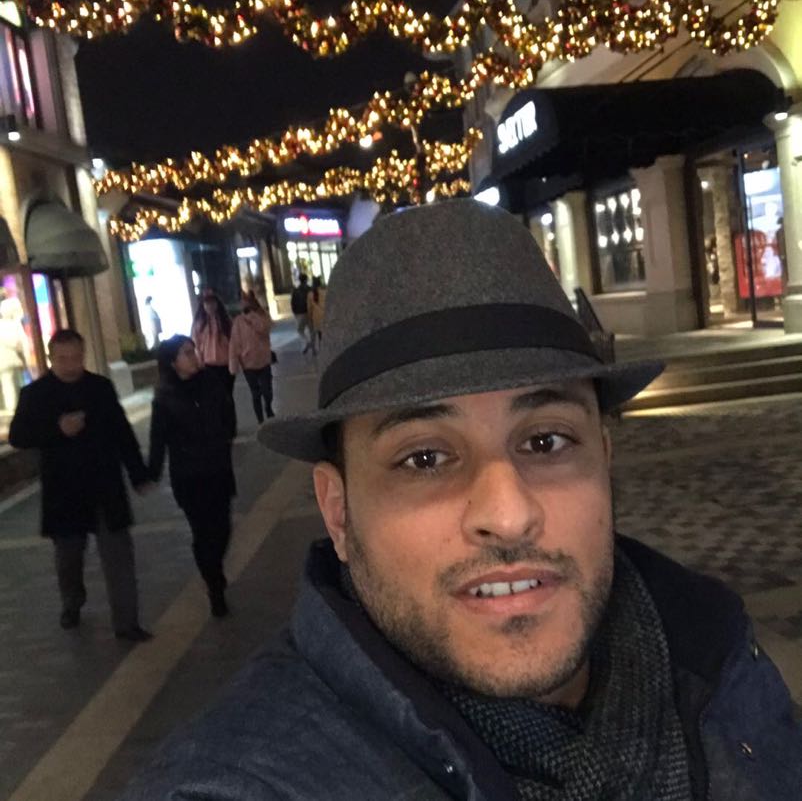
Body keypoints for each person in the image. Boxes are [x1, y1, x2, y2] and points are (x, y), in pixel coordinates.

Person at [121, 201, 802, 800]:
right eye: (424, 458)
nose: (508, 515)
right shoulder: (231, 788)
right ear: (338, 510)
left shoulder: (715, 653)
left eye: (546, 441)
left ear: (604, 456)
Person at [9, 329, 152, 642]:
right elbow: (19, 436)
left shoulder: (99, 388)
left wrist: (138, 474)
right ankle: (72, 601)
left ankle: (126, 622)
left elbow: (122, 432)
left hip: (105, 485)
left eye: (76, 358)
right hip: (64, 490)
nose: (71, 365)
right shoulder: (36, 394)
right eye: (63, 359)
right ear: (51, 359)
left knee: (118, 555)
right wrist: (56, 429)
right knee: (68, 557)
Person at [148, 335, 236, 617]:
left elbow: (227, 413)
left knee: (223, 528)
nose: (194, 356)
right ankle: (214, 585)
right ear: (173, 363)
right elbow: (158, 439)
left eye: (193, 350)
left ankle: (213, 570)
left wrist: (225, 437)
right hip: (189, 476)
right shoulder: (165, 398)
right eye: (186, 353)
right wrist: (151, 473)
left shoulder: (211, 382)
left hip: (218, 470)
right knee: (202, 531)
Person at [229, 291, 274, 424]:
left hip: (263, 359)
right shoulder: (238, 321)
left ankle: (268, 407)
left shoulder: (262, 316)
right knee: (255, 393)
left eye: (247, 301)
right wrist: (234, 365)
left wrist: (254, 316)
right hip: (248, 363)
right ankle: (260, 420)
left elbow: (265, 328)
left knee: (267, 390)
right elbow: (234, 343)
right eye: (242, 302)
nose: (244, 304)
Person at [191, 289, 234, 392]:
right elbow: (196, 344)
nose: (210, 306)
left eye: (212, 302)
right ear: (203, 305)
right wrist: (199, 361)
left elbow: (234, 342)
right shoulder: (199, 323)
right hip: (208, 364)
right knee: (215, 393)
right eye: (207, 303)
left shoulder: (226, 321)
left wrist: (234, 360)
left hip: (226, 363)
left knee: (227, 392)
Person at [290, 272, 314, 354]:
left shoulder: (296, 291)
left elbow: (293, 303)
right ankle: (313, 347)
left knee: (300, 330)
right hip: (310, 312)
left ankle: (306, 342)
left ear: (299, 280)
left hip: (300, 313)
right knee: (312, 330)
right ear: (306, 280)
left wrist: (295, 312)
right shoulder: (310, 289)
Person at [308, 275, 327, 348]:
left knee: (320, 334)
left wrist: (310, 318)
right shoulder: (325, 291)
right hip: (326, 315)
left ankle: (322, 348)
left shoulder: (310, 294)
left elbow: (309, 308)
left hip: (316, 317)